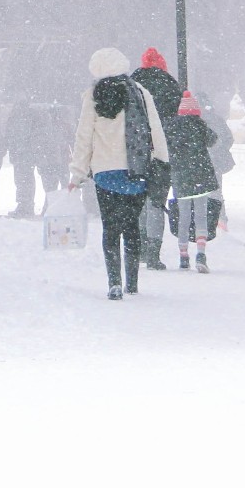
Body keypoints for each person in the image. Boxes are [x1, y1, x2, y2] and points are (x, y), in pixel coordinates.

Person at [68, 47, 171, 300]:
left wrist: (77, 173)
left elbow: (84, 137)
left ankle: (114, 282)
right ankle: (132, 283)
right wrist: (162, 161)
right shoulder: (140, 93)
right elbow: (155, 129)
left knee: (111, 227)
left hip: (105, 173)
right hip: (136, 171)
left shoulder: (93, 95)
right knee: (132, 225)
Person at [131, 47, 182, 269]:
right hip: (163, 150)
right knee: (156, 201)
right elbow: (179, 119)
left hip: (137, 149)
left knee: (139, 199)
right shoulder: (171, 84)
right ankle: (153, 252)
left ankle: (140, 246)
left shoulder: (132, 83)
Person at [164, 90, 223, 272]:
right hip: (200, 177)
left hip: (180, 178)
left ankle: (183, 255)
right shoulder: (200, 125)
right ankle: (201, 253)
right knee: (200, 216)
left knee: (183, 217)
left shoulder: (171, 127)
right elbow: (215, 141)